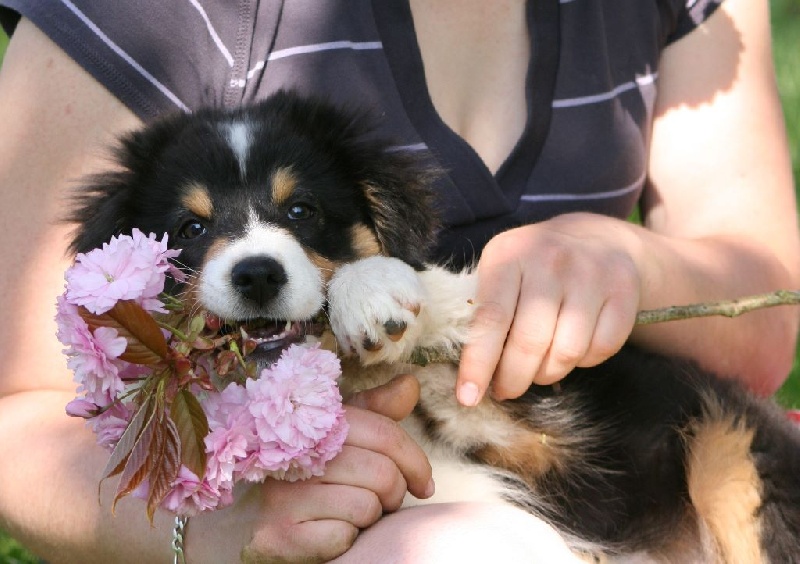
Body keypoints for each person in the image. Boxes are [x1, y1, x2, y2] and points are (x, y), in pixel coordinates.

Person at [0, 0, 797, 562]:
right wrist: (210, 533)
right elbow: (17, 415)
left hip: (650, 487)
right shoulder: (156, 15)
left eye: (301, 210)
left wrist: (630, 259)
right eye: (194, 228)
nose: (249, 252)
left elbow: (764, 319)